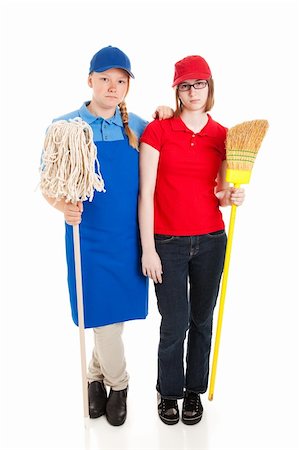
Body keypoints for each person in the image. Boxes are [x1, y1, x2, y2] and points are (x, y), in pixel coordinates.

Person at [42, 45, 173, 426]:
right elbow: (49, 181)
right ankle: (120, 383)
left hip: (128, 238)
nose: (112, 87)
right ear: (90, 81)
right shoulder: (66, 128)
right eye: (105, 79)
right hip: (88, 239)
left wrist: (166, 114)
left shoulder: (140, 129)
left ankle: (94, 377)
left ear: (128, 86)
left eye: (121, 81)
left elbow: (166, 152)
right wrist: (60, 207)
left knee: (110, 320)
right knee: (100, 317)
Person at [138, 54, 245, 425]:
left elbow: (219, 189)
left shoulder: (223, 136)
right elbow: (145, 193)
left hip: (212, 239)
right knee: (175, 321)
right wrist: (148, 248)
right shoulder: (159, 131)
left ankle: (193, 391)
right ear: (177, 91)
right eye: (186, 85)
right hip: (167, 242)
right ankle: (168, 391)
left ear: (209, 87)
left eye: (200, 83)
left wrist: (230, 197)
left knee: (202, 319)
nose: (194, 91)